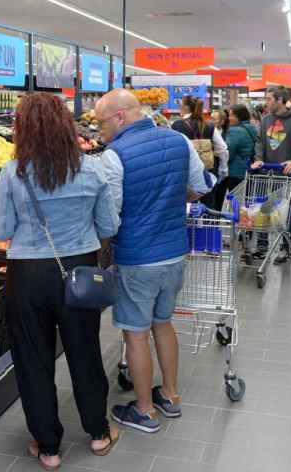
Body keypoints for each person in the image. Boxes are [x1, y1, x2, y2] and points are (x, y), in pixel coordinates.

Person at [0, 93, 120, 470]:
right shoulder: (91, 170)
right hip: (79, 273)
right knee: (84, 350)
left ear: (22, 129)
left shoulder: (13, 171)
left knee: (33, 359)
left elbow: (2, 230)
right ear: (67, 125)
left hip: (28, 276)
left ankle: (48, 446)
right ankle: (98, 433)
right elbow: (109, 226)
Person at [94, 89, 213, 434]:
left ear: (119, 117)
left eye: (101, 122)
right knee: (163, 322)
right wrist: (171, 204)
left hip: (137, 258)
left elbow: (110, 216)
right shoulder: (179, 141)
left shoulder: (114, 156)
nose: (99, 130)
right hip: (175, 251)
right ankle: (171, 396)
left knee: (135, 334)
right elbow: (202, 186)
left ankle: (144, 410)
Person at [251, 86, 291, 262]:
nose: (266, 102)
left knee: (284, 211)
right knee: (263, 208)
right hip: (265, 171)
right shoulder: (266, 120)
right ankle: (262, 246)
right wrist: (258, 157)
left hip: (284, 174)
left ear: (280, 100)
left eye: (270, 99)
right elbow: (259, 142)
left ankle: (285, 247)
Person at [171, 96, 229, 196]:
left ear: (185, 107)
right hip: (207, 174)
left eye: (180, 104)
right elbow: (223, 149)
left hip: (185, 174)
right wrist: (223, 170)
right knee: (208, 207)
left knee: (188, 207)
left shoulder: (176, 125)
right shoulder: (209, 126)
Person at [213, 104, 259, 211]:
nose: (228, 118)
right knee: (242, 201)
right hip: (245, 169)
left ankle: (229, 223)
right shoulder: (251, 128)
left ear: (239, 117)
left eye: (231, 116)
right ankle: (243, 224)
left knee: (225, 201)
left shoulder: (235, 131)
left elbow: (229, 152)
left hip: (233, 172)